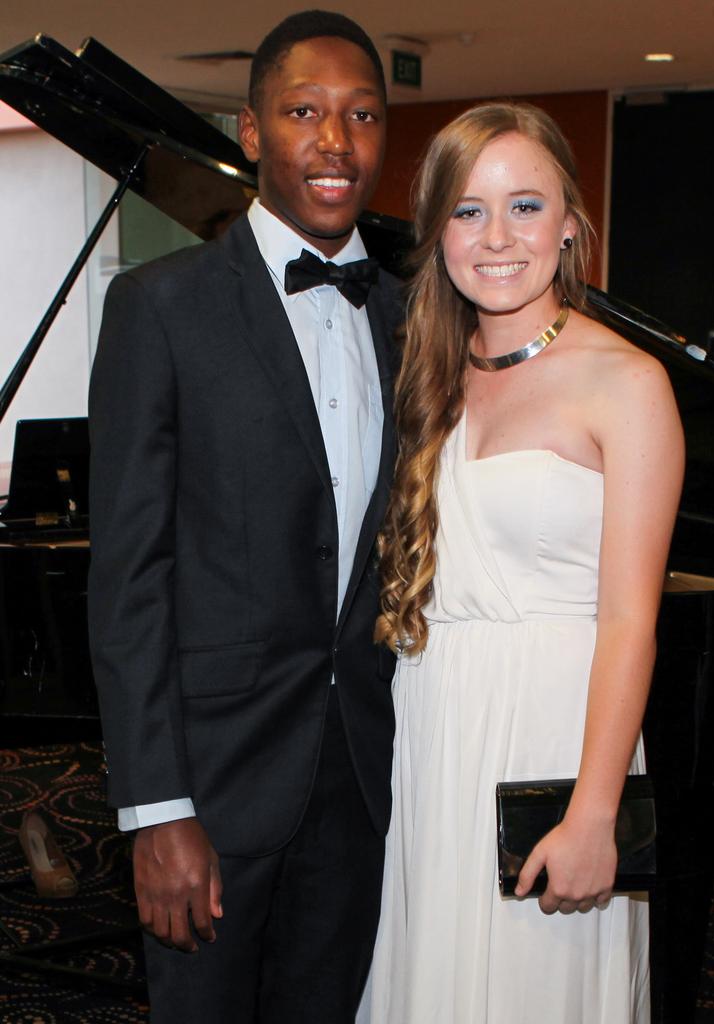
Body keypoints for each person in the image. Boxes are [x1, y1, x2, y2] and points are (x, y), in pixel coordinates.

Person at [88, 11, 401, 1023]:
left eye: (360, 114)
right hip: (212, 792)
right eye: (304, 111)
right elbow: (130, 577)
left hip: (361, 782)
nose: (335, 141)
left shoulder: (407, 317)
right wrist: (157, 809)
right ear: (253, 130)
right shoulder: (161, 308)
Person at [366, 102, 684, 1023]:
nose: (496, 238)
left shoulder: (627, 384)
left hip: (555, 738)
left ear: (572, 227)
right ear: (437, 232)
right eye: (468, 211)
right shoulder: (430, 375)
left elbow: (631, 623)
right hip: (437, 729)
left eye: (525, 206)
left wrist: (594, 814)